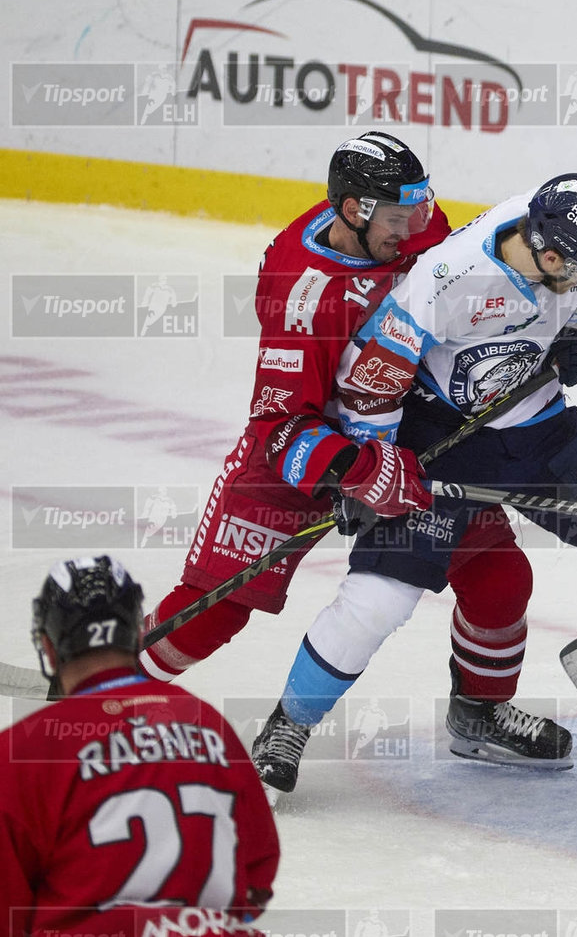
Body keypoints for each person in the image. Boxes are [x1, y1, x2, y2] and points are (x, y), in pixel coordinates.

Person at [252, 174, 577, 795]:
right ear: (547, 252)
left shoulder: (557, 245)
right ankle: (287, 725)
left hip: (537, 423)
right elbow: (369, 375)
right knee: (381, 596)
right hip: (437, 440)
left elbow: (571, 312)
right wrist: (371, 469)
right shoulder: (447, 281)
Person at [138, 130, 463, 681]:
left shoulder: (409, 221)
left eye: (419, 208)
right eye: (397, 219)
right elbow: (280, 425)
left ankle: (480, 709)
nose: (415, 230)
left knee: (493, 572)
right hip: (309, 450)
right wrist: (353, 471)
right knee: (214, 608)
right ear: (354, 211)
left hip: (411, 434)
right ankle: (104, 696)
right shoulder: (304, 298)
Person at [0, 556, 280, 934]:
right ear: (136, 635)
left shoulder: (22, 752)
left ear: (48, 649)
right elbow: (257, 872)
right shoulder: (207, 723)